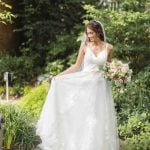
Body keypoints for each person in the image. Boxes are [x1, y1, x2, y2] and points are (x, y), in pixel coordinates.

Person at [36, 20, 120, 150]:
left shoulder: (109, 47)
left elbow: (109, 67)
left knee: (97, 117)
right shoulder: (85, 46)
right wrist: (59, 76)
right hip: (84, 84)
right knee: (82, 115)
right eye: (87, 33)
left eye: (91, 33)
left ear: (98, 31)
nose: (89, 36)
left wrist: (118, 74)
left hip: (100, 87)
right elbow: (76, 66)